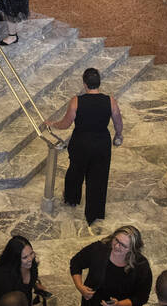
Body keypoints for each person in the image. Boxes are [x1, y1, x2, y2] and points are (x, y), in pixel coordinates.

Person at [45, 67, 124, 225]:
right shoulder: (110, 100)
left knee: (75, 170)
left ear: (84, 84)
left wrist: (52, 123)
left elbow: (66, 124)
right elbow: (118, 122)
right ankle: (94, 213)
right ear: (99, 83)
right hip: (101, 143)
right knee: (98, 178)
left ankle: (72, 198)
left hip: (81, 142)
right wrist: (118, 135)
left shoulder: (76, 101)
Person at [69, 225, 153, 306]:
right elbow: (76, 262)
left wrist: (118, 305)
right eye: (116, 240)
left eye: (123, 245)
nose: (117, 246)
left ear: (132, 249)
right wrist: (80, 287)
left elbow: (141, 298)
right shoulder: (99, 249)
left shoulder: (141, 266)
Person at [0, 234, 47, 305]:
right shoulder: (4, 276)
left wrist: (35, 285)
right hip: (4, 305)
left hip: (21, 301)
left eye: (31, 253)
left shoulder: (31, 264)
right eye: (25, 257)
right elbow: (8, 305)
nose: (30, 259)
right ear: (15, 259)